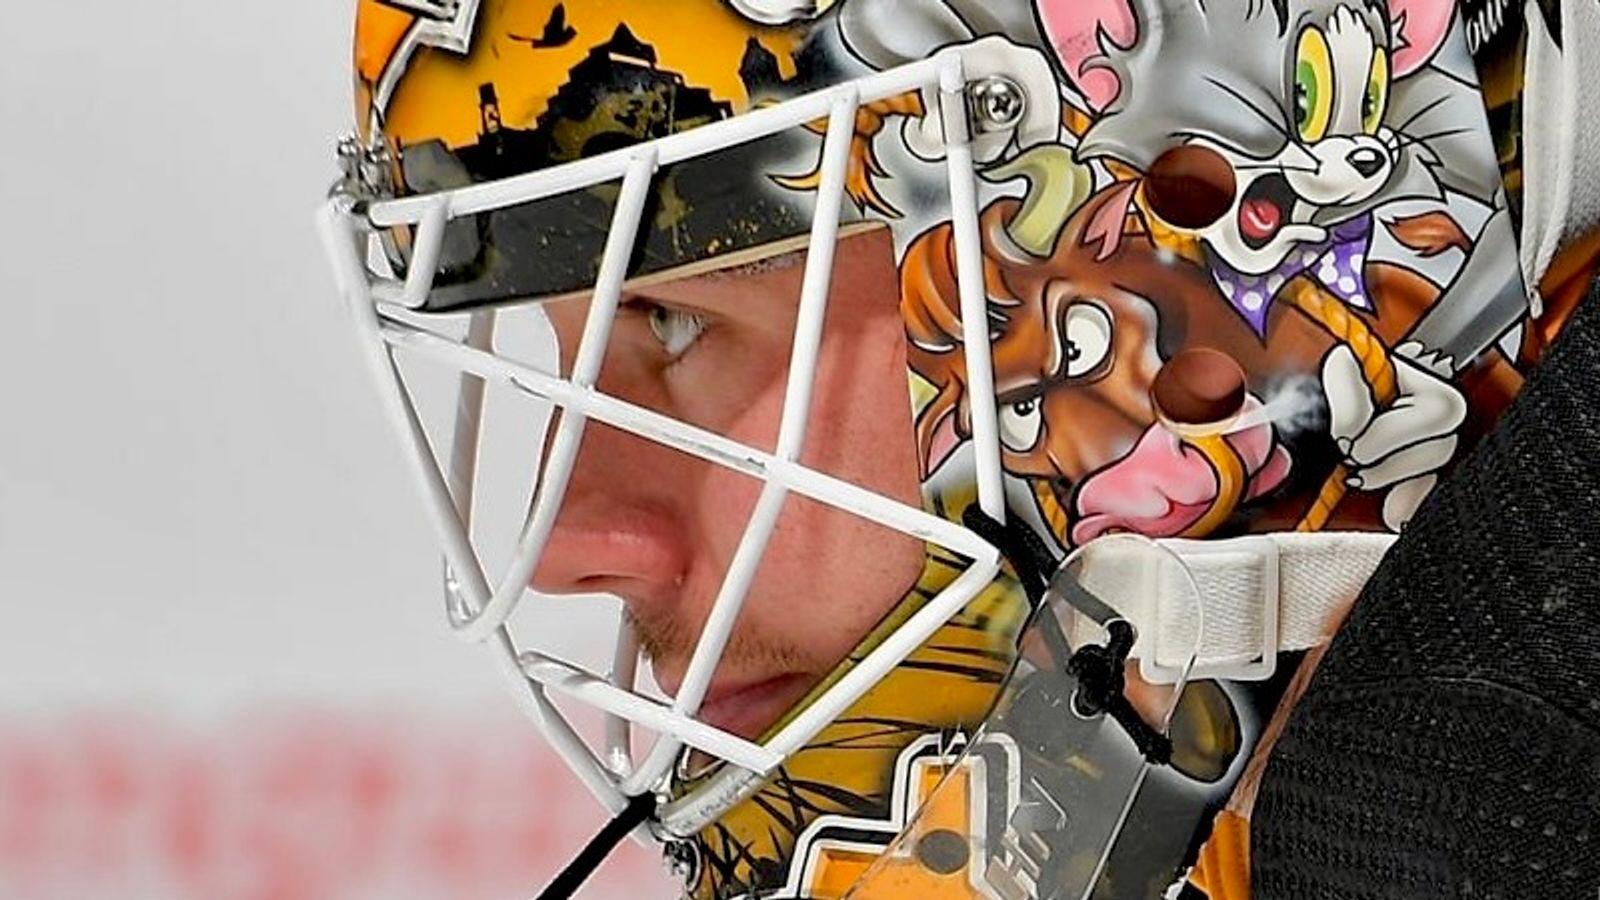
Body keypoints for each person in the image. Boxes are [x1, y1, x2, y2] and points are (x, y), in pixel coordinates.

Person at [318, 0, 1600, 897]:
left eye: (675, 319)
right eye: (560, 354)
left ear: (1185, 220)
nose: (568, 545)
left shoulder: (1498, 823)